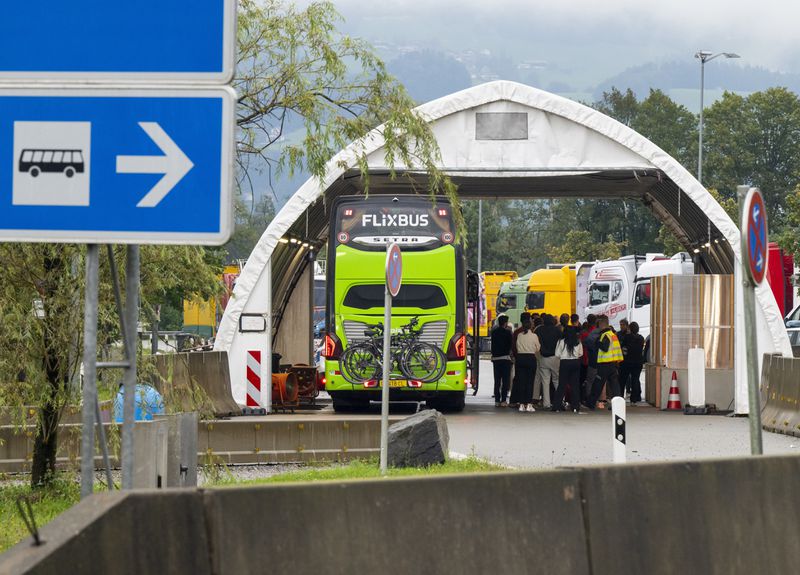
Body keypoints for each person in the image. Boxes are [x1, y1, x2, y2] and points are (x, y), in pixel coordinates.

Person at [586, 316, 624, 409]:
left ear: (601, 325)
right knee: (614, 385)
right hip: (613, 364)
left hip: (604, 364)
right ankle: (618, 404)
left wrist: (597, 342)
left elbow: (605, 347)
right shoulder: (613, 335)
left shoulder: (605, 335)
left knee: (598, 384)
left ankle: (590, 403)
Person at [510, 313, 540, 412]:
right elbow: (538, 348)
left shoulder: (519, 335)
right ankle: (529, 404)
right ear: (531, 326)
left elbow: (517, 347)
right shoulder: (534, 336)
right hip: (531, 358)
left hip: (520, 358)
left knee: (521, 381)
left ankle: (522, 404)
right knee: (530, 382)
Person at [553, 325, 584, 413]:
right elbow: (581, 353)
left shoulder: (561, 341)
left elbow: (557, 354)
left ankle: (557, 406)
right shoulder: (578, 341)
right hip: (575, 363)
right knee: (575, 385)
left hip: (564, 363)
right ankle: (575, 407)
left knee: (562, 385)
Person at [536, 314, 562, 410]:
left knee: (545, 381)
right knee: (556, 380)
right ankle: (559, 401)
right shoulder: (557, 330)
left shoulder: (539, 330)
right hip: (555, 358)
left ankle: (546, 403)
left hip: (543, 358)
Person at [619, 321, 646, 405]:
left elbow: (622, 347)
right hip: (638, 362)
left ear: (629, 328)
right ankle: (633, 400)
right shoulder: (641, 338)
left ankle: (620, 398)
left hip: (626, 362)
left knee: (622, 380)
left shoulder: (627, 337)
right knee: (635, 380)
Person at [490, 314, 513, 407]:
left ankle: (496, 400)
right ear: (506, 323)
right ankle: (503, 400)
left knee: (497, 380)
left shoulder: (494, 332)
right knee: (505, 380)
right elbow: (510, 346)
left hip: (496, 359)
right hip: (505, 359)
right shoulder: (508, 333)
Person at [580, 314, 599, 403]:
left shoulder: (583, 333)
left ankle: (584, 398)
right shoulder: (598, 332)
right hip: (594, 359)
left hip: (583, 359)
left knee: (584, 380)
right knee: (594, 380)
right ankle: (592, 399)